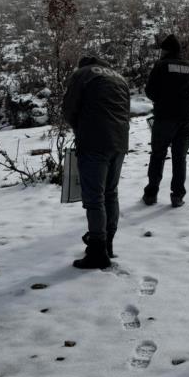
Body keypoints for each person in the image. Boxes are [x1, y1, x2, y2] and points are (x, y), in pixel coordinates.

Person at [62, 55, 130, 269]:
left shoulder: (81, 74)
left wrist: (79, 128)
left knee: (94, 198)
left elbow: (69, 108)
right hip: (119, 141)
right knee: (111, 193)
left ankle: (97, 251)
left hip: (93, 141)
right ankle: (107, 243)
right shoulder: (120, 78)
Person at [143, 34, 189, 207]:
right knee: (180, 157)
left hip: (165, 118)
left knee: (158, 155)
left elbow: (150, 91)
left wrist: (161, 102)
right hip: (186, 119)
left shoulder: (161, 66)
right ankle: (177, 196)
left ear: (166, 50)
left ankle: (151, 194)